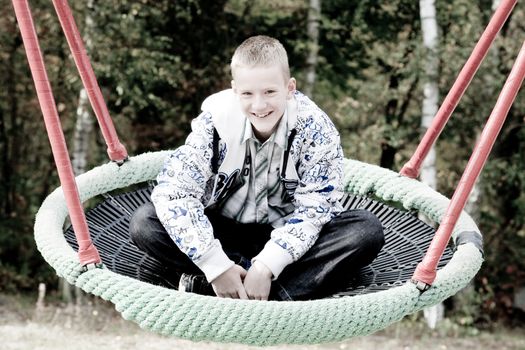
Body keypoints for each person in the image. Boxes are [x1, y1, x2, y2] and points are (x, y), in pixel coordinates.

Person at [130, 35, 384, 301]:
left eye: (270, 92)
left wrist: (265, 266)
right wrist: (216, 265)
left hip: (289, 235)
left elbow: (316, 209)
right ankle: (246, 283)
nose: (259, 105)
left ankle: (238, 290)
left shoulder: (315, 129)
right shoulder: (214, 124)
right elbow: (175, 192)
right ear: (234, 90)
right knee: (145, 223)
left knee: (365, 231)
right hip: (221, 231)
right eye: (248, 94)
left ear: (290, 88)